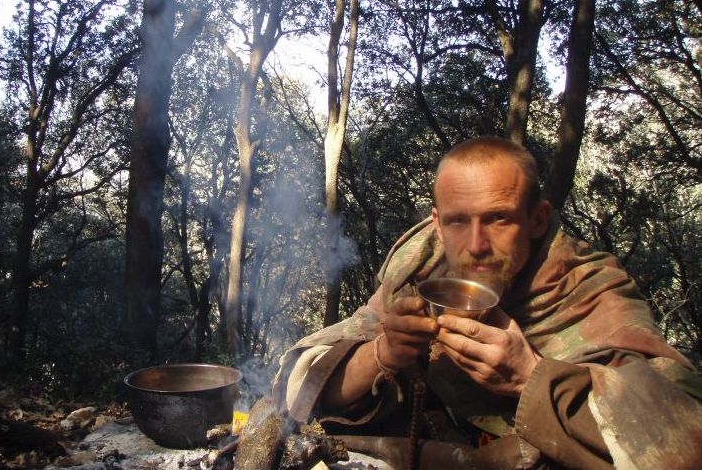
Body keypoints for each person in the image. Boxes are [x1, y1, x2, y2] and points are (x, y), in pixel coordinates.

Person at [271, 136, 702, 470]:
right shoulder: (419, 273)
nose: (476, 246)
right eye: (458, 221)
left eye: (498, 218)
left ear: (536, 219)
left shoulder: (588, 289)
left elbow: (683, 438)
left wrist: (530, 376)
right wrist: (383, 354)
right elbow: (300, 383)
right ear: (438, 225)